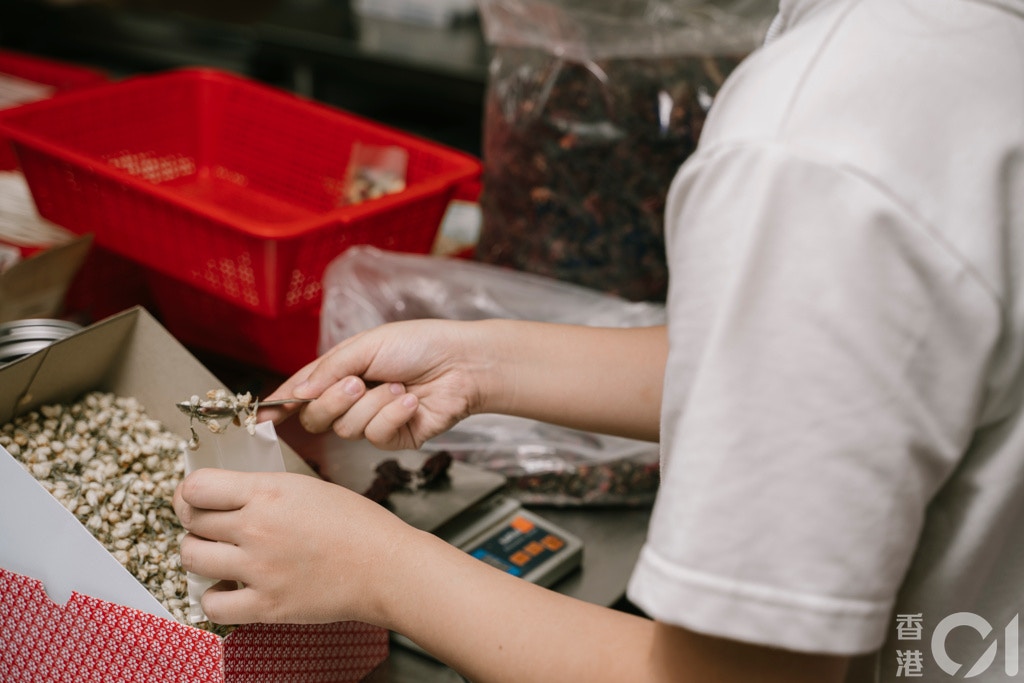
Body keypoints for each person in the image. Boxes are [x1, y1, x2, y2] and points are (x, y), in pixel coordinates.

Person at [171, 0, 1024, 680]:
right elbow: (836, 375)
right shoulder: (963, 44)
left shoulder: (817, 147)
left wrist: (376, 568)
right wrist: (478, 362)